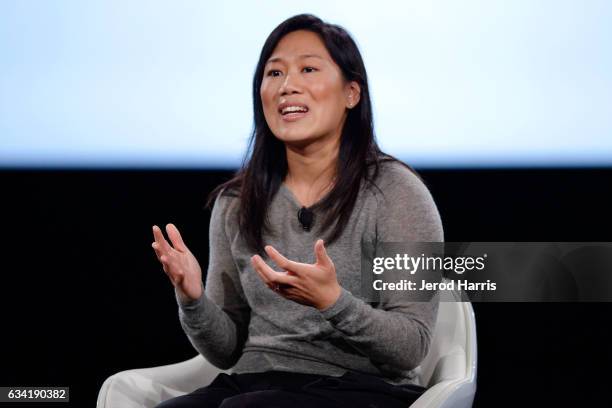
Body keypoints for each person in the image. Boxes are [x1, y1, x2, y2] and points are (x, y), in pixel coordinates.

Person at [151, 14, 444, 408]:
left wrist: (332, 301)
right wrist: (192, 298)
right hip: (253, 381)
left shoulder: (397, 192)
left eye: (308, 69)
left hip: (362, 388)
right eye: (274, 73)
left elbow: (412, 346)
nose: (287, 86)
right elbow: (227, 351)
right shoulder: (236, 202)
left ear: (351, 94)